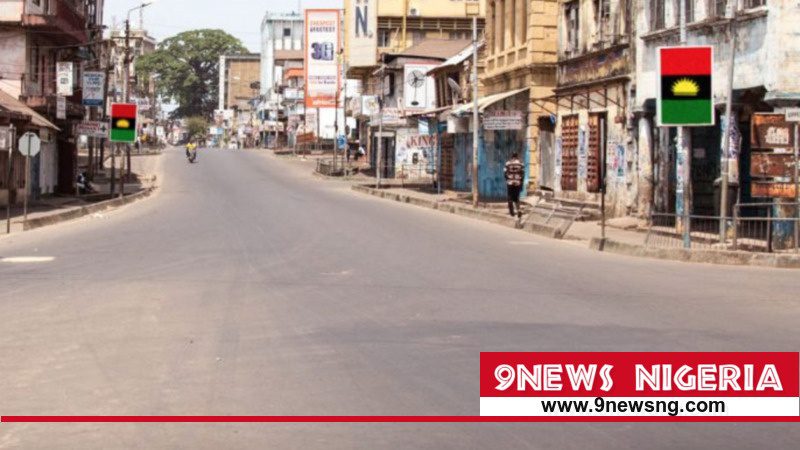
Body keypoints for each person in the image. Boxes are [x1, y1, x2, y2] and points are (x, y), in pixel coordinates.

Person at [504, 152, 525, 219]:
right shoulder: (521, 163)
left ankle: (512, 212)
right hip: (517, 182)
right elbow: (523, 174)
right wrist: (521, 181)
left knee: (510, 197)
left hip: (510, 182)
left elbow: (504, 173)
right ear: (517, 156)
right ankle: (518, 210)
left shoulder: (507, 163)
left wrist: (508, 179)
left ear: (512, 156)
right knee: (517, 197)